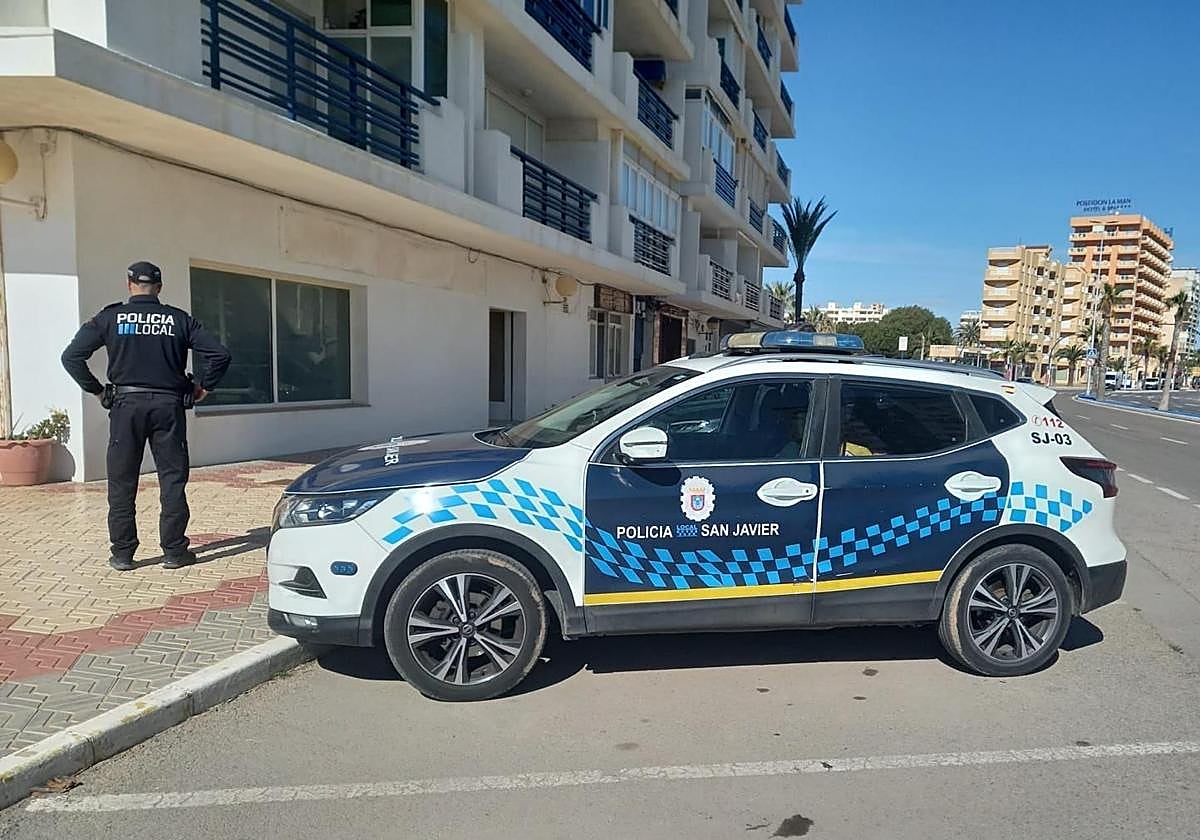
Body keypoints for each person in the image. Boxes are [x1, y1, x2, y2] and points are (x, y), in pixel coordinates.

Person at [61, 261, 232, 571]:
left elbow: (71, 357)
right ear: (160, 287)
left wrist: (99, 391)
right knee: (172, 479)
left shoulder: (110, 317)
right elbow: (220, 354)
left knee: (123, 481)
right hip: (169, 407)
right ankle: (174, 551)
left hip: (126, 408)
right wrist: (204, 386)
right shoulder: (178, 320)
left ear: (129, 286)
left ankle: (123, 554)